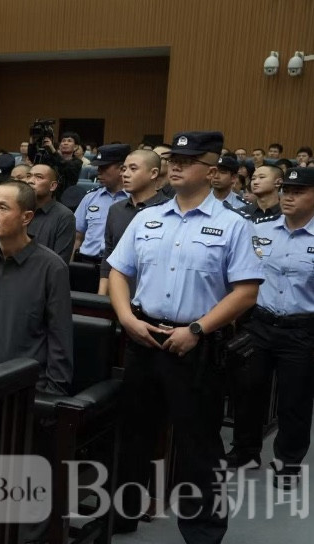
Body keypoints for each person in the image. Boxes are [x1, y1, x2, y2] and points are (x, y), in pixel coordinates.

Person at [107, 131, 263, 541]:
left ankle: (203, 531)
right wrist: (126, 318)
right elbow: (119, 272)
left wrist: (197, 329)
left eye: (188, 160)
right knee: (134, 432)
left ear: (211, 171)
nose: (176, 165)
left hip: (196, 345)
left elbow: (246, 291)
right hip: (144, 336)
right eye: (174, 158)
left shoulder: (232, 225)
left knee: (199, 443)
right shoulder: (148, 218)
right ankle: (123, 515)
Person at [235, 166, 314, 489]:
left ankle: (288, 463)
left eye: (299, 192)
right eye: (286, 191)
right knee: (248, 392)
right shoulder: (259, 229)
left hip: (302, 329)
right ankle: (245, 452)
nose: (289, 198)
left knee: (295, 401)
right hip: (261, 323)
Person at [0, 179, 73, 393]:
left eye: (3, 208)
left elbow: (59, 336)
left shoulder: (52, 267)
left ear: (26, 217)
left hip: (28, 391)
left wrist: (52, 394)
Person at [97, 149, 169, 296]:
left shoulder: (169, 210)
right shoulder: (116, 210)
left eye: (133, 169)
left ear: (153, 173)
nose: (125, 174)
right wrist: (101, 293)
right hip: (118, 293)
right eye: (124, 169)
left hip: (154, 295)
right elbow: (109, 254)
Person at [73, 144, 130, 264]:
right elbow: (77, 237)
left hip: (118, 265)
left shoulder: (134, 199)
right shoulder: (90, 197)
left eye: (104, 167)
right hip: (87, 261)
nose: (98, 171)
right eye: (98, 167)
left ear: (122, 169)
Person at [24, 163, 75, 261]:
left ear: (52, 186)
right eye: (28, 176)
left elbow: (60, 261)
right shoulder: (18, 209)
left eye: (39, 177)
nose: (30, 181)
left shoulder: (64, 216)